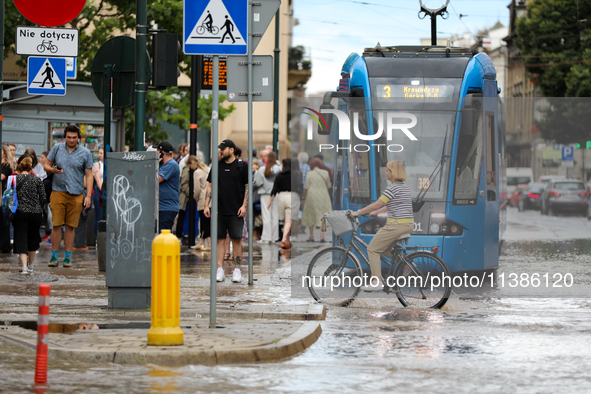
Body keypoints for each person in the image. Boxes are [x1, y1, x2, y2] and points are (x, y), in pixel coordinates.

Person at [351, 160, 414, 291]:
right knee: (383, 249)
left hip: (396, 225)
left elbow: (377, 203)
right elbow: (389, 206)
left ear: (393, 172)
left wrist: (358, 212)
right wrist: (375, 213)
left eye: (387, 170)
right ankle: (407, 263)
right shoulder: (404, 187)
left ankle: (376, 280)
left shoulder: (392, 188)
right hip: (407, 224)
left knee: (372, 249)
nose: (385, 173)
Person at [44, 124, 93, 268]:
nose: (71, 140)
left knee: (71, 226)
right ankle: (54, 257)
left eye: (74, 137)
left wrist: (88, 196)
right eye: (68, 137)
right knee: (56, 225)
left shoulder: (85, 152)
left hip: (76, 193)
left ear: (79, 138)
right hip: (58, 191)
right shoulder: (57, 148)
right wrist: (52, 170)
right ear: (65, 137)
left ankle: (67, 257)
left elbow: (89, 175)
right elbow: (46, 165)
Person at [205, 139, 249, 283]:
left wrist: (244, 206)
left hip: (236, 210)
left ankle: (237, 269)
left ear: (231, 150)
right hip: (219, 209)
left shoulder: (242, 166)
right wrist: (206, 205)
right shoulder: (216, 166)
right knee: (219, 240)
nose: (221, 151)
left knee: (237, 240)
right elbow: (210, 186)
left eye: (223, 149)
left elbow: (247, 187)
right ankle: (220, 269)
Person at [13, 156, 46, 274]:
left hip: (20, 212)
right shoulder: (37, 180)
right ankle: (31, 265)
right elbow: (43, 198)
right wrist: (38, 206)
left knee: (21, 238)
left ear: (19, 168)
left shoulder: (14, 179)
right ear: (31, 168)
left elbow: (10, 197)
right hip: (35, 213)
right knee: (33, 238)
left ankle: (24, 267)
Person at [267, 158, 303, 249]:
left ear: (283, 165)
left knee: (284, 220)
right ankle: (284, 239)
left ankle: (287, 242)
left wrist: (270, 201)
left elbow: (274, 189)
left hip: (281, 196)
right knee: (289, 220)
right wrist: (299, 194)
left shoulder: (279, 175)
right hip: (293, 196)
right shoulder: (296, 174)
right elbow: (300, 185)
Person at [301, 158, 332, 242]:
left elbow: (306, 187)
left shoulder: (309, 174)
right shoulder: (325, 173)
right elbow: (329, 185)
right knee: (323, 215)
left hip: (312, 195)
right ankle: (322, 236)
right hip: (323, 195)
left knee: (310, 214)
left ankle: (311, 236)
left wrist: (304, 198)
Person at [254, 151, 281, 243]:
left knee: (266, 216)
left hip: (265, 193)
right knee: (274, 215)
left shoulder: (262, 169)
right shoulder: (279, 169)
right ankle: (274, 237)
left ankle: (266, 237)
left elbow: (257, 182)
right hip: (275, 194)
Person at [156, 141, 180, 232]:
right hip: (162, 207)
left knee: (163, 236)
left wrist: (155, 164)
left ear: (162, 153)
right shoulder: (164, 165)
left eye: (158, 152)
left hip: (166, 208)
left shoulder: (171, 164)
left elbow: (156, 179)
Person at [191, 157, 211, 251]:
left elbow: (197, 189)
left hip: (202, 199)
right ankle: (201, 242)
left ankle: (209, 244)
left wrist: (195, 197)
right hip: (211, 198)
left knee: (204, 222)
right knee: (205, 222)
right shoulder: (208, 169)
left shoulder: (197, 172)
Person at [0, 145, 15, 253]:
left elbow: (2, 177)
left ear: (4, 153)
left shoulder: (7, 165)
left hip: (4, 196)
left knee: (4, 222)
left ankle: (4, 246)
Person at [92, 147, 104, 235]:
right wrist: (103, 191)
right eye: (99, 153)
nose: (99, 155)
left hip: (108, 191)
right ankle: (97, 237)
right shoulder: (97, 164)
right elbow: (98, 180)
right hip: (99, 191)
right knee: (99, 216)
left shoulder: (110, 163)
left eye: (101, 153)